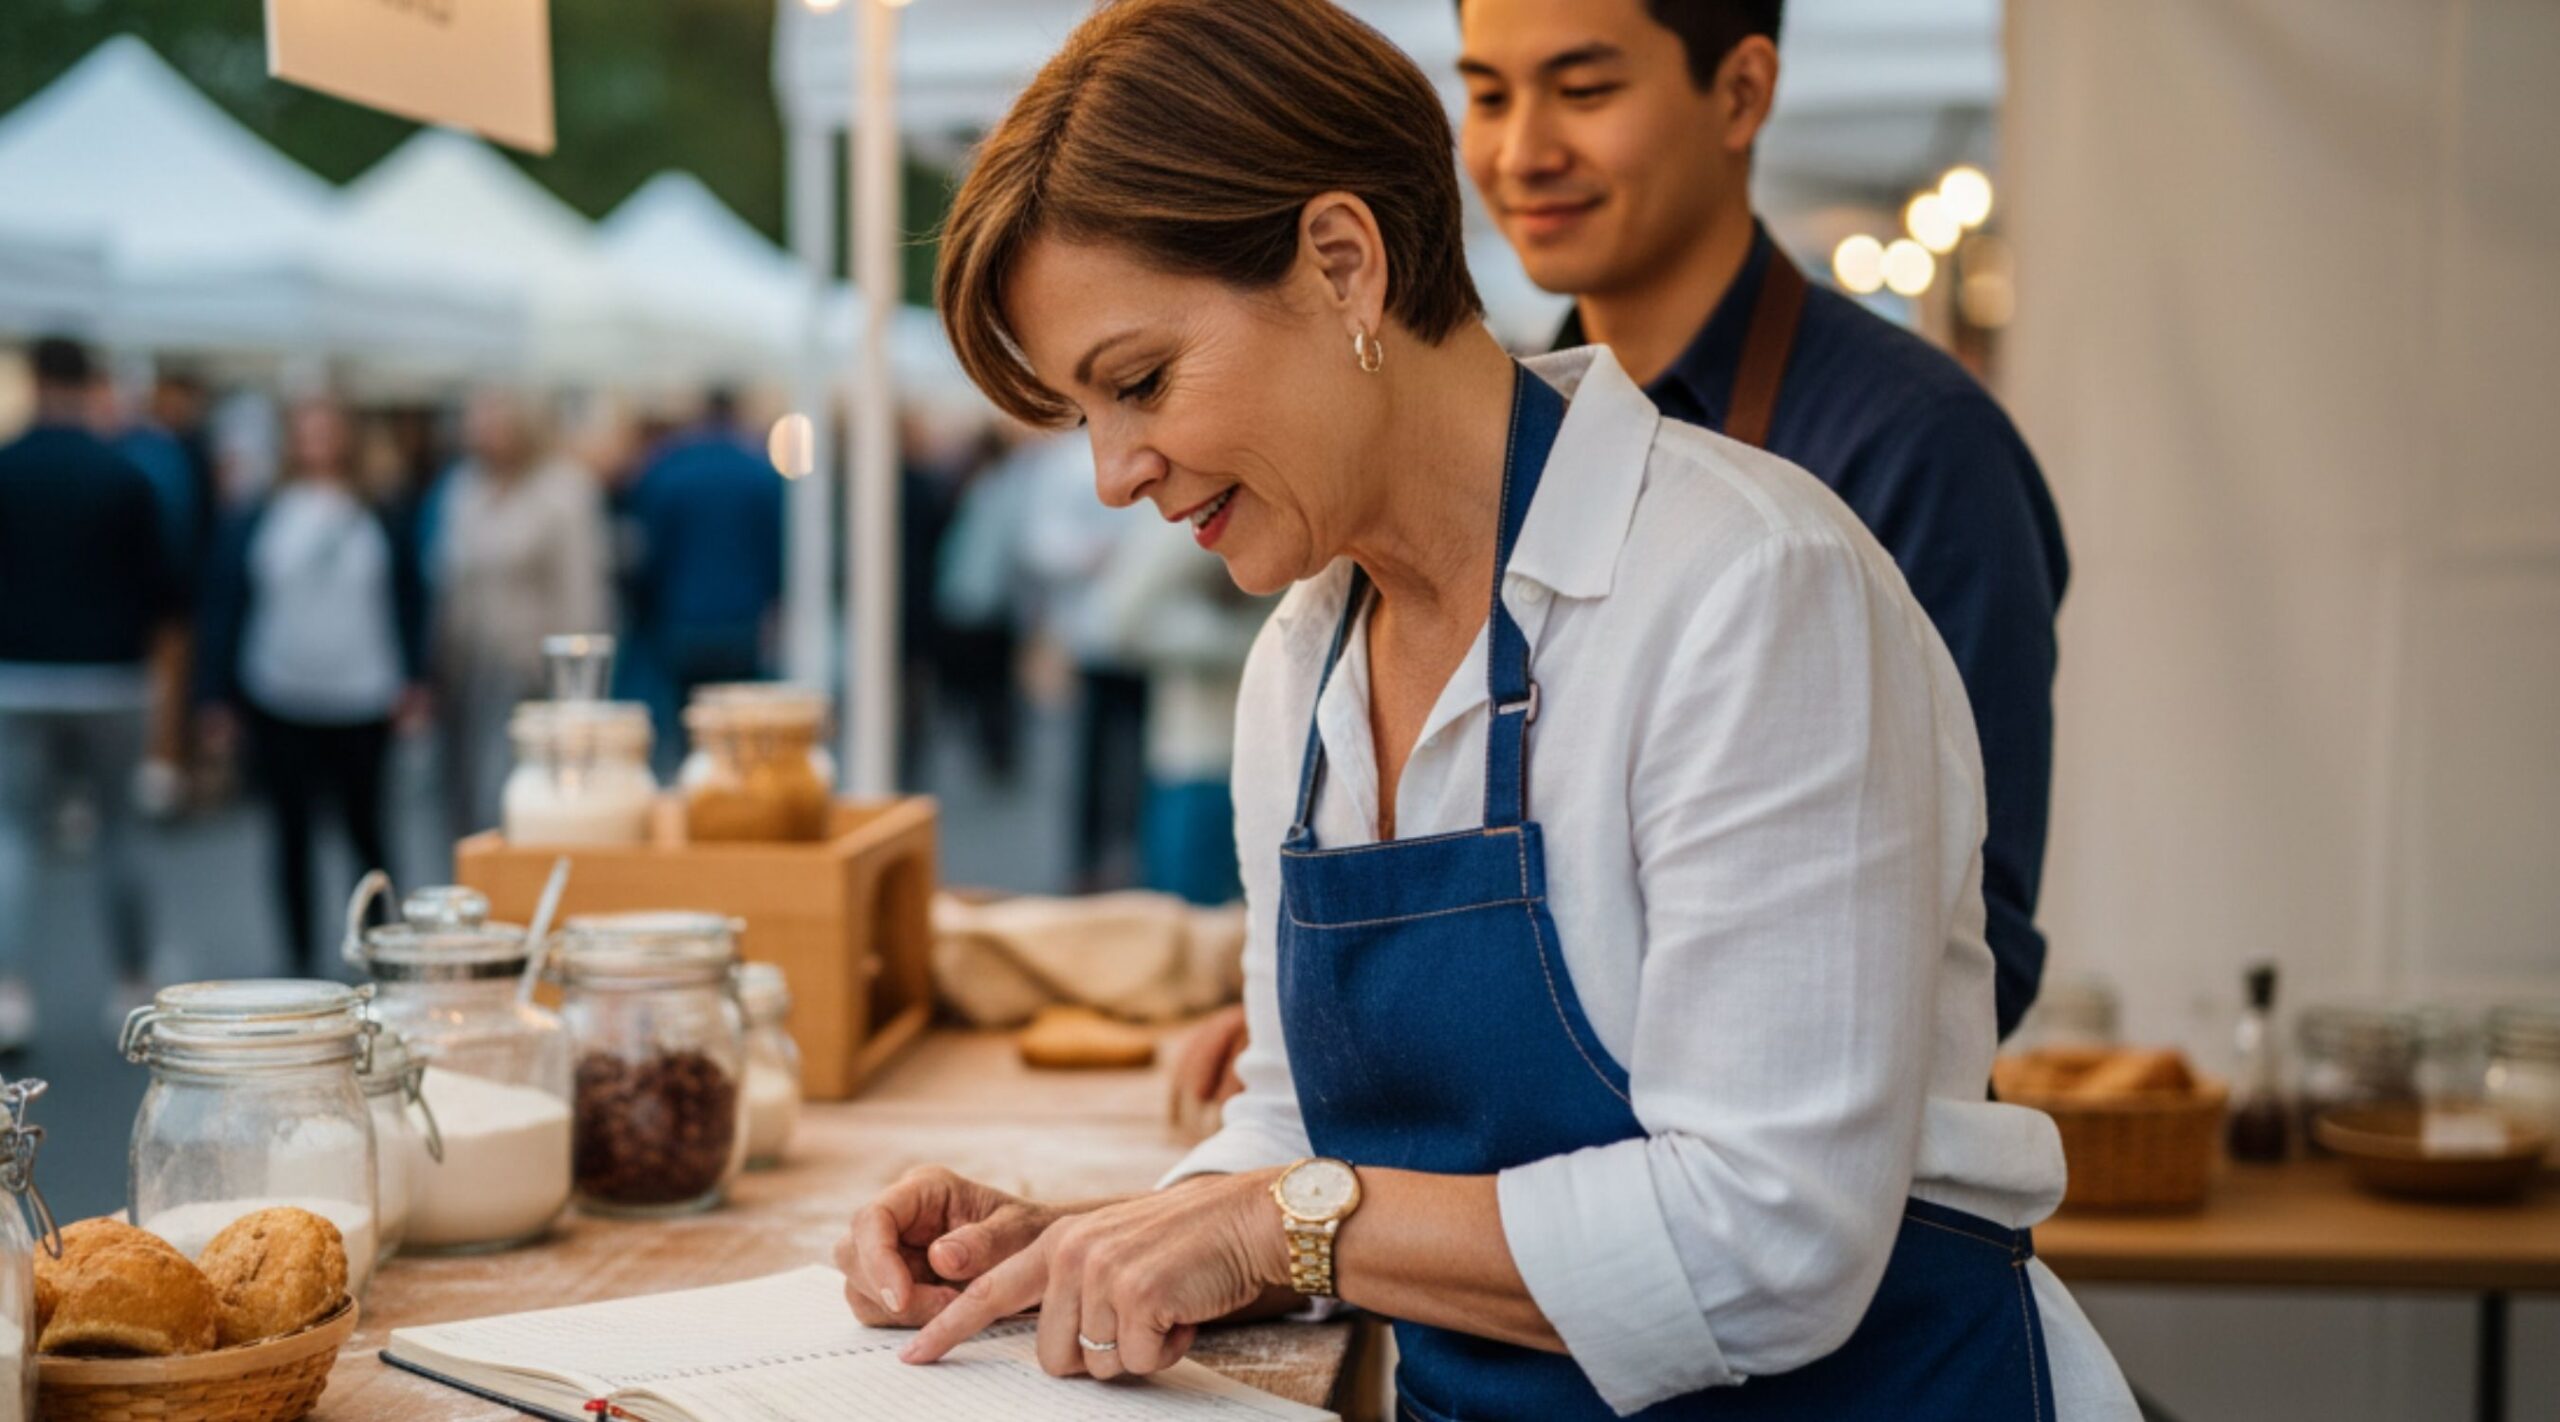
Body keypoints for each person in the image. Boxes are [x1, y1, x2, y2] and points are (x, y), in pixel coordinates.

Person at [834, 4, 2135, 1419]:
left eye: (1138, 382)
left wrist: (1267, 1221)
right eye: (1080, 412)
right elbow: (1298, 1133)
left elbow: (1775, 1240)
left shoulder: (1750, 588)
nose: (1111, 474)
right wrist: (1099, 1241)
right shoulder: (1304, 664)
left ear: (1344, 262)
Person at [1178, 0, 2071, 1112]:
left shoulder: (1909, 450)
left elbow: (1964, 927)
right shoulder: (1480, 452)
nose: (1520, 151)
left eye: (1585, 90)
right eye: (1490, 94)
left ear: (1740, 93)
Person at [199, 396, 427, 977]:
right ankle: (298, 958)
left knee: (367, 829)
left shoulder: (380, 511)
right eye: (307, 431)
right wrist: (215, 696)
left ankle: (382, 951)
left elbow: (408, 597)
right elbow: (226, 600)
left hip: (363, 694)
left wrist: (415, 679)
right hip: (281, 693)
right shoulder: (260, 513)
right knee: (290, 835)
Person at [0, 336, 178, 1046]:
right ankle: (132, 982)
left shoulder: (5, 469)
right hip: (110, 676)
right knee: (120, 832)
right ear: (89, 382)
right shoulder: (124, 476)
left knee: (13, 834)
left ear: (36, 380)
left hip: (17, 676)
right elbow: (165, 591)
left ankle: (8, 993)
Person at [426, 389, 611, 836]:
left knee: (521, 800)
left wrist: (573, 684)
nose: (484, 431)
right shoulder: (464, 489)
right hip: (469, 666)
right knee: (464, 797)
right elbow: (450, 581)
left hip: (533, 672)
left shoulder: (563, 490)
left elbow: (583, 592)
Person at [619, 390, 784, 772]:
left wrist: (647, 610)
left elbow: (646, 553)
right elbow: (777, 548)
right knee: (738, 733)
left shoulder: (668, 468)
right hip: (743, 621)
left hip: (682, 620)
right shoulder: (759, 470)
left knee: (687, 731)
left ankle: (695, 799)